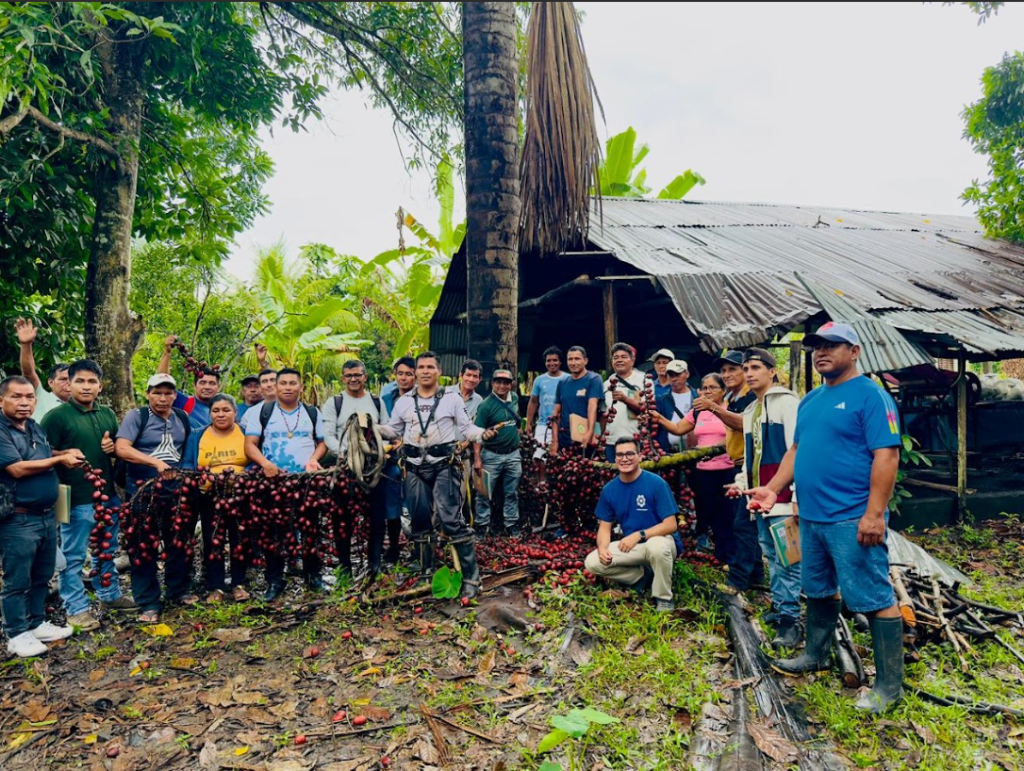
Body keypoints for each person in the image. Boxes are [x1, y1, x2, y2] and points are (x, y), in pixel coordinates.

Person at [747, 323, 904, 713]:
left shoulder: (871, 397)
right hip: (812, 517)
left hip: (850, 517)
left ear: (854, 351)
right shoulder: (813, 400)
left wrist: (874, 514)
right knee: (817, 589)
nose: (822, 352)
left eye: (832, 345)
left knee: (873, 596)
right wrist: (773, 489)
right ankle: (814, 654)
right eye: (817, 346)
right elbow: (797, 451)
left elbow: (887, 455)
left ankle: (888, 688)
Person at [378, 352, 497, 599]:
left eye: (430, 367)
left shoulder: (451, 399)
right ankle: (426, 572)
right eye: (420, 367)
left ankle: (472, 578)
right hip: (413, 466)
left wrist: (482, 434)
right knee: (420, 520)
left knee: (450, 519)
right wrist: (371, 426)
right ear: (416, 372)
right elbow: (393, 430)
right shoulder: (404, 402)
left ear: (439, 371)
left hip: (444, 464)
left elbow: (466, 428)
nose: (425, 371)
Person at [42, 360, 134, 631]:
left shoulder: (106, 414)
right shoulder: (56, 418)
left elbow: (119, 449)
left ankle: (110, 596)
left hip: (105, 495)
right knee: (72, 556)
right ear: (68, 384)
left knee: (106, 549)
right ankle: (77, 609)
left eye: (91, 381)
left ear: (100, 386)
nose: (86, 386)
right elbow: (39, 452)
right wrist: (62, 455)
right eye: (79, 381)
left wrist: (112, 448)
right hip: (71, 496)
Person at [720, 348, 802, 648]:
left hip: (783, 498)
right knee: (771, 555)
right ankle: (780, 607)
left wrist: (796, 496)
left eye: (756, 367)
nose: (750, 372)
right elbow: (750, 458)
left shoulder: (786, 403)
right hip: (758, 499)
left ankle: (790, 622)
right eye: (747, 368)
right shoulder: (751, 411)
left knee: (788, 559)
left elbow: (798, 449)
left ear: (772, 371)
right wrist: (741, 483)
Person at [0, 376, 81, 657]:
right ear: (2, 400)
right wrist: (59, 461)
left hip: (46, 516)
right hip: (18, 518)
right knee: (17, 579)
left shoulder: (33, 426)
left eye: (29, 397)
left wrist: (62, 452)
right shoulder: (1, 430)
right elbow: (17, 468)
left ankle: (35, 624)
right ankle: (16, 633)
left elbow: (44, 453)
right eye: (16, 397)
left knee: (42, 574)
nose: (24, 403)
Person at [243, 368, 327, 600]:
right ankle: (274, 580)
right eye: (284, 383)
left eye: (293, 383)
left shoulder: (312, 412)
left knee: (310, 529)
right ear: (276, 387)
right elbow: (250, 445)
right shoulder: (264, 412)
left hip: (305, 482)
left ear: (301, 387)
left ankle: (313, 576)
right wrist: (264, 463)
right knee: (273, 533)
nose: (288, 387)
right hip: (273, 482)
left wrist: (314, 459)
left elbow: (322, 443)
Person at [116, 374, 194, 622]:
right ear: (148, 394)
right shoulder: (137, 417)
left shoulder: (181, 417)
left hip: (175, 490)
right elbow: (122, 448)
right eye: (157, 393)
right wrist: (154, 462)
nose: (163, 398)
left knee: (179, 541)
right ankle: (148, 602)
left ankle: (177, 591)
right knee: (143, 546)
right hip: (141, 491)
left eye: (168, 393)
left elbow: (185, 450)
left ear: (174, 395)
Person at [583, 437, 682, 612]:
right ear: (615, 459)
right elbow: (604, 528)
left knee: (656, 546)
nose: (625, 458)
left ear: (640, 456)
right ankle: (642, 576)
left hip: (661, 542)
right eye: (620, 455)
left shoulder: (656, 484)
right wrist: (602, 547)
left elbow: (671, 524)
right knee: (592, 562)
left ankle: (663, 597)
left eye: (630, 453)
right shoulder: (610, 490)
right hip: (633, 548)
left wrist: (639, 535)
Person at [652, 373, 737, 563]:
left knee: (726, 513)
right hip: (702, 470)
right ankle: (709, 551)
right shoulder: (698, 411)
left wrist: (715, 447)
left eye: (712, 387)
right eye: (704, 387)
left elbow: (737, 434)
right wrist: (658, 417)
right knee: (705, 511)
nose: (707, 391)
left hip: (726, 469)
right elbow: (678, 429)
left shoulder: (729, 409)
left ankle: (728, 556)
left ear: (723, 390)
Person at [181, 394, 251, 603]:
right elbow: (187, 463)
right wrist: (198, 477)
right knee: (213, 540)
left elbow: (256, 459)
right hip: (209, 496)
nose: (221, 414)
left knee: (239, 539)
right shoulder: (197, 435)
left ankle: (239, 584)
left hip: (239, 495)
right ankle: (216, 586)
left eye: (226, 410)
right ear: (210, 413)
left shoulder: (245, 433)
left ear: (235, 413)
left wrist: (246, 473)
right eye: (216, 411)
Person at [323, 359, 388, 575]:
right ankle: (344, 567)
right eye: (349, 375)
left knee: (376, 517)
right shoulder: (335, 403)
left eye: (357, 375)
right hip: (345, 471)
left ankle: (374, 564)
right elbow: (328, 435)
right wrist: (345, 455)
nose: (353, 379)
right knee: (342, 520)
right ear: (343, 378)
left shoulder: (376, 402)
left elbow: (386, 431)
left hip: (373, 471)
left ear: (365, 377)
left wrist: (380, 451)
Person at [712, 350, 761, 573]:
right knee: (740, 522)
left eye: (733, 369)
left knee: (745, 524)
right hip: (736, 465)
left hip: (749, 465)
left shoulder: (751, 397)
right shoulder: (732, 398)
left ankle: (745, 574)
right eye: (723, 370)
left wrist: (713, 408)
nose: (727, 374)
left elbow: (744, 425)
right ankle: (751, 569)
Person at [473, 369, 523, 537]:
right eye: (498, 382)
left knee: (512, 492)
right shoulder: (486, 405)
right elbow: (477, 434)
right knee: (484, 493)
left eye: (506, 382)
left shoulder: (515, 398)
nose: (502, 385)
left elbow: (516, 422)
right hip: (491, 455)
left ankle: (511, 524)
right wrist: (477, 459)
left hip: (513, 455)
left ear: (511, 384)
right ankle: (481, 526)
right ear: (492, 383)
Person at [380, 356, 416, 566]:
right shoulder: (387, 395)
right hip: (391, 458)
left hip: (415, 458)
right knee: (392, 504)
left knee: (416, 504)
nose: (404, 378)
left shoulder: (423, 398)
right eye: (400, 374)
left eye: (408, 374)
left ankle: (418, 548)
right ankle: (393, 548)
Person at [158, 335, 221, 430]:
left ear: (218, 387)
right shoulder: (184, 402)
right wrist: (167, 353)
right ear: (194, 386)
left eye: (212, 383)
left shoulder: (224, 410)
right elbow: (162, 383)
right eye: (203, 382)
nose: (207, 387)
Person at [549, 346, 603, 455]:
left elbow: (592, 407)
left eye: (577, 359)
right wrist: (554, 441)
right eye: (570, 359)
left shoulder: (594, 379)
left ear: (585, 361)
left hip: (585, 438)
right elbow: (556, 413)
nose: (573, 362)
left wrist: (590, 432)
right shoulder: (562, 383)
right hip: (565, 439)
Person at [14, 317, 70, 422]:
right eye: (63, 379)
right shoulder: (41, 397)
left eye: (73, 380)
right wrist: (26, 345)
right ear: (51, 382)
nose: (68, 383)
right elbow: (29, 373)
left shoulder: (82, 408)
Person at [603, 343, 647, 463]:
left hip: (636, 439)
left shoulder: (643, 380)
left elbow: (647, 409)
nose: (619, 360)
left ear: (632, 361)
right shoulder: (607, 384)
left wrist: (625, 400)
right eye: (616, 358)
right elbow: (604, 413)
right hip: (612, 441)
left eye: (623, 357)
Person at [525, 346, 569, 454]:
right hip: (543, 425)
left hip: (563, 426)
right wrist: (529, 423)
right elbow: (533, 402)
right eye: (548, 360)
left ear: (560, 362)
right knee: (539, 457)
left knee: (562, 457)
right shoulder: (539, 380)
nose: (552, 363)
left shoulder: (568, 379)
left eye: (555, 360)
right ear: (545, 362)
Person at [654, 359, 698, 452]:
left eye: (678, 375)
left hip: (695, 451)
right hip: (668, 452)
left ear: (687, 374)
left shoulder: (698, 398)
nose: (674, 379)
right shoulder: (661, 400)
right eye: (671, 375)